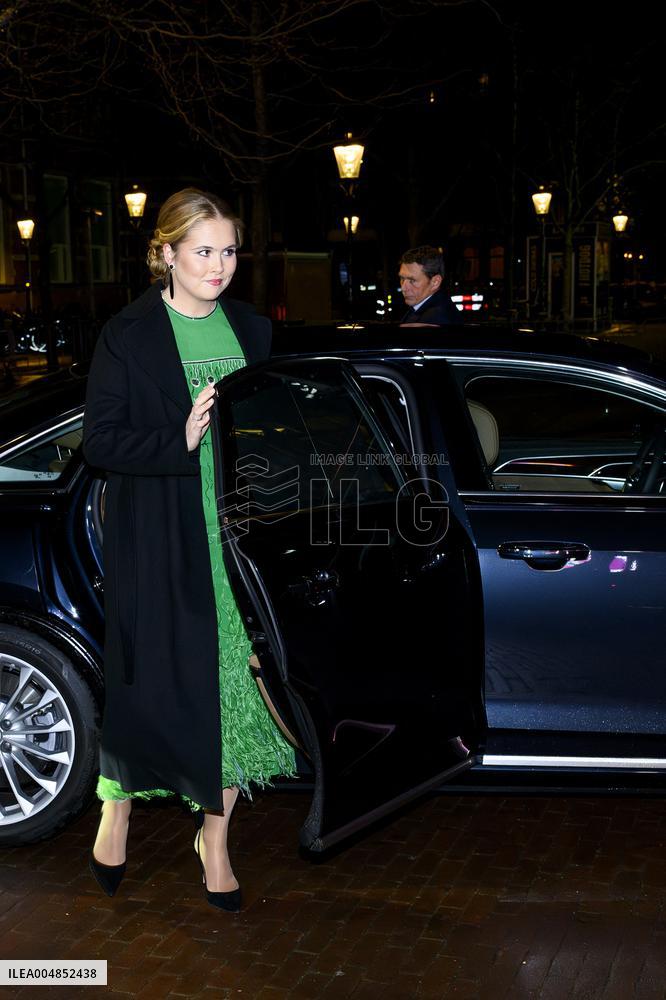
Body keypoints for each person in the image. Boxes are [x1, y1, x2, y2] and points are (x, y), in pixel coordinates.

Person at [83, 188, 296, 912]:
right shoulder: (128, 334)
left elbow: (275, 432)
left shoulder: (252, 330)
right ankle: (117, 806)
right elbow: (102, 441)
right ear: (166, 253)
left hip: (238, 536)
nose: (219, 265)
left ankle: (216, 840)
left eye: (229, 250)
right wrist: (178, 438)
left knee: (238, 689)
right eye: (203, 250)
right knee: (152, 692)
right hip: (162, 536)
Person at [398, 245, 459, 325]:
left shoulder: (435, 318)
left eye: (412, 280)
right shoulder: (424, 308)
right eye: (402, 278)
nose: (403, 288)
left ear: (435, 282)